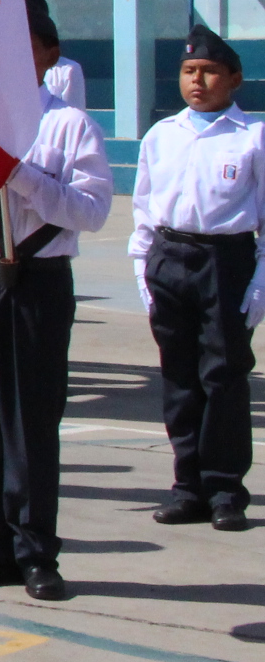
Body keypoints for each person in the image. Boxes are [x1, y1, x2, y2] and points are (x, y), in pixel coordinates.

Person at [0, 0, 113, 601]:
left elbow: (91, 211)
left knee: (30, 420)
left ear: (49, 55)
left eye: (26, 46)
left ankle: (35, 548)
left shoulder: (68, 124)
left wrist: (19, 173)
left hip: (35, 279)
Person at [129, 26, 263, 531]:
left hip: (225, 262)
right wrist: (144, 270)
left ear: (234, 79)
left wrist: (258, 284)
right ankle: (188, 486)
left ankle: (225, 488)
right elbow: (143, 210)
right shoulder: (163, 135)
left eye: (209, 72)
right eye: (189, 72)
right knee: (180, 380)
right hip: (170, 257)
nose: (198, 81)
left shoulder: (252, 137)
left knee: (223, 377)